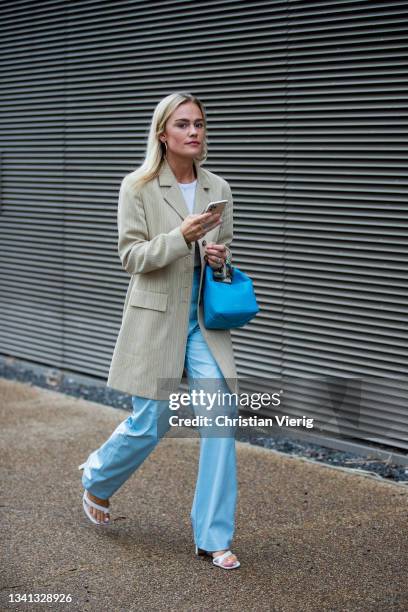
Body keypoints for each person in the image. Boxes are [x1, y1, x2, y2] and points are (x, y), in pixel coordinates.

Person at [79, 91, 241, 570]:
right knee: (153, 420)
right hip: (156, 318)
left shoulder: (220, 189)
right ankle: (98, 478)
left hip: (202, 323)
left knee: (221, 415)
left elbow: (225, 258)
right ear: (163, 133)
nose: (194, 132)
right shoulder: (139, 186)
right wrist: (181, 239)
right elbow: (131, 257)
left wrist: (219, 259)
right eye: (183, 124)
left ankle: (213, 536)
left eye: (199, 124)